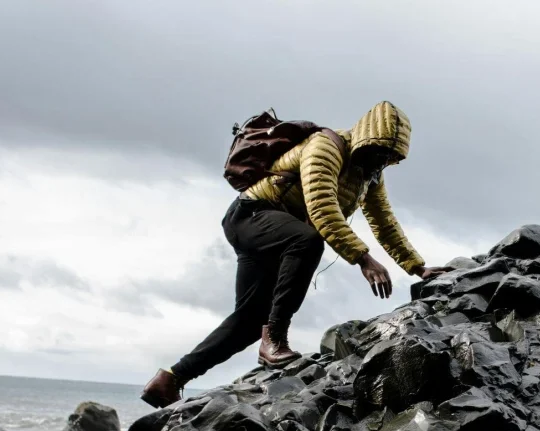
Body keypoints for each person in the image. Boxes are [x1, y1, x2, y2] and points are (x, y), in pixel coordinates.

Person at [140, 101, 452, 408]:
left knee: (250, 321)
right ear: (365, 140)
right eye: (378, 151)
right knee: (308, 241)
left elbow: (384, 221)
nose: (381, 160)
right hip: (250, 216)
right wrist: (363, 258)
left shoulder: (369, 174)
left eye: (389, 156)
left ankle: (170, 380)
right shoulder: (326, 146)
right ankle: (275, 339)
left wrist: (417, 267)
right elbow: (321, 207)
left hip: (275, 233)